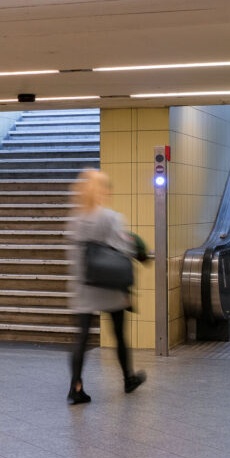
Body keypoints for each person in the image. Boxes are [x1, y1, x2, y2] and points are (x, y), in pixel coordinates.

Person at [67, 168, 146, 404]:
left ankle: (76, 388)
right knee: (119, 334)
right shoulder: (110, 217)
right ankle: (128, 379)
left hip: (84, 285)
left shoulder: (75, 219)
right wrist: (138, 249)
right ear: (101, 190)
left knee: (81, 337)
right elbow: (124, 249)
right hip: (110, 286)